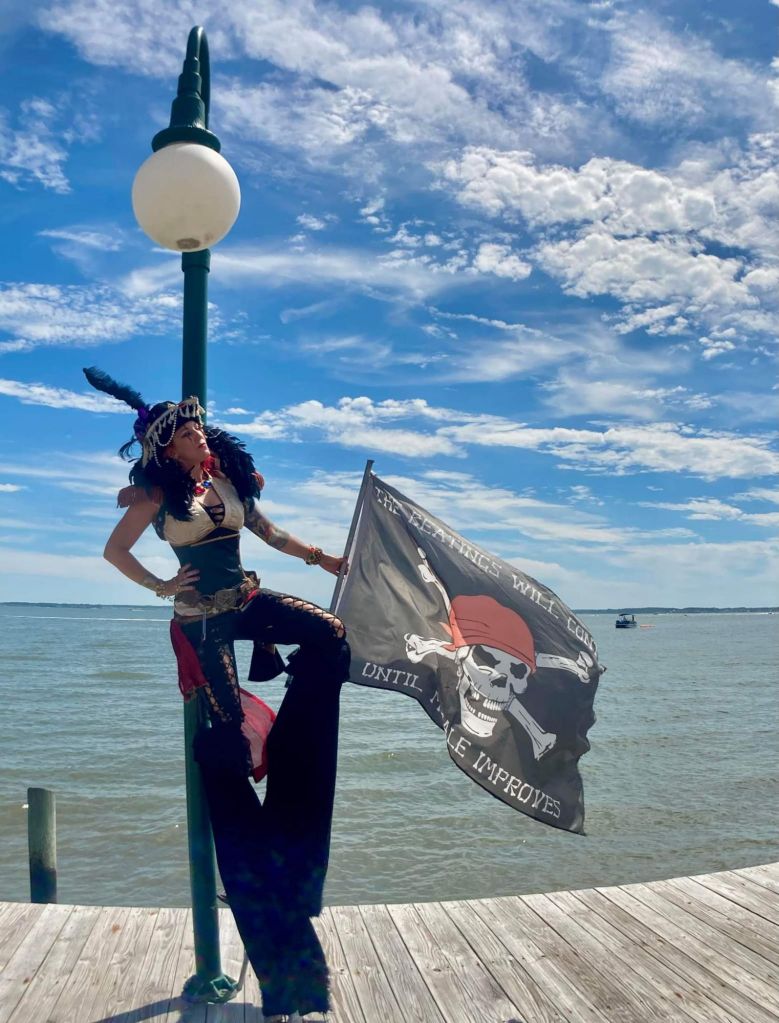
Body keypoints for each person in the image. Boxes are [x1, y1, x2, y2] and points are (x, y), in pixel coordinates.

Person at [85, 367, 350, 1021]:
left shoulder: (226, 479)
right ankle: (261, 889)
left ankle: (290, 762)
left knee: (329, 635)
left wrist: (321, 558)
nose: (199, 435)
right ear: (166, 445)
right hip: (202, 620)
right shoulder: (157, 492)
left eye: (200, 427)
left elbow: (269, 532)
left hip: (246, 601)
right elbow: (114, 550)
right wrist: (159, 586)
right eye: (187, 432)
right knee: (228, 743)